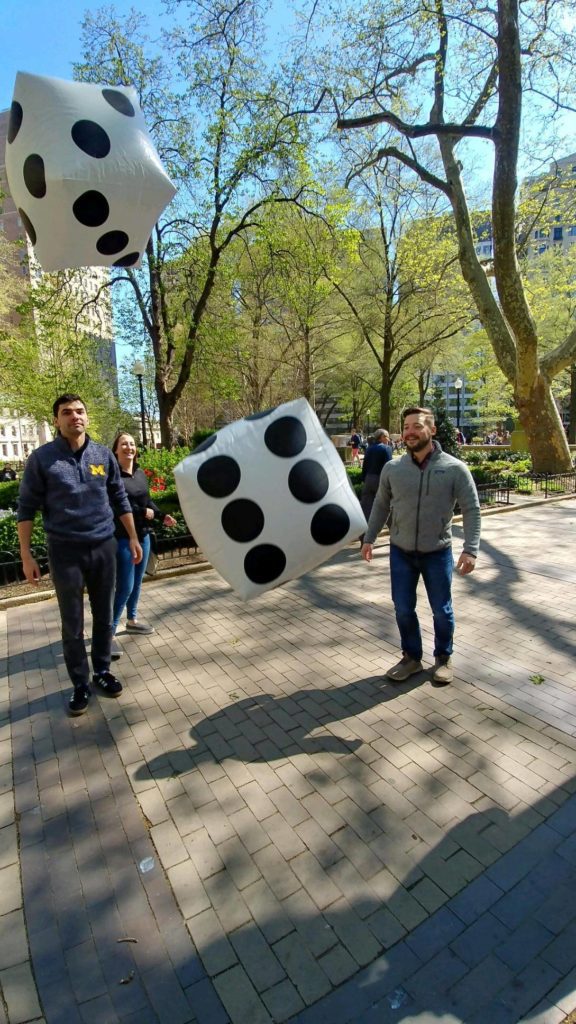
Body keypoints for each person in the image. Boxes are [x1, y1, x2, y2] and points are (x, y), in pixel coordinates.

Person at [17, 394, 142, 716]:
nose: (75, 416)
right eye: (67, 412)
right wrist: (27, 556)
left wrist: (131, 537)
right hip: (65, 550)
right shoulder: (42, 459)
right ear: (56, 420)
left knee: (103, 615)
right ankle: (80, 683)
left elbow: (118, 497)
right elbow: (26, 507)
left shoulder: (102, 454)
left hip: (104, 545)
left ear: (87, 416)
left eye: (80, 411)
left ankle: (101, 670)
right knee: (72, 623)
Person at [361, 406, 480, 686]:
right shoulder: (393, 468)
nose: (410, 432)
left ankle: (443, 658)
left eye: (416, 426)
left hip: (437, 553)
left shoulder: (454, 469)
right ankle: (412, 658)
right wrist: (369, 538)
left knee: (442, 609)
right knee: (403, 608)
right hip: (400, 552)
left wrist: (470, 548)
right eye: (405, 427)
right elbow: (380, 505)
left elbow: (472, 509)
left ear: (432, 430)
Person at [111, 433, 176, 654]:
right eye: (123, 444)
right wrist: (143, 511)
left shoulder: (139, 473)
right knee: (125, 586)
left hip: (144, 534)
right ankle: (107, 633)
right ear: (116, 450)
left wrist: (160, 515)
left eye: (132, 444)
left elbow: (146, 500)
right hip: (123, 538)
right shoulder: (112, 476)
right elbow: (117, 506)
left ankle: (132, 620)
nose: (129, 447)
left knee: (138, 582)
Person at [359, 428, 393, 528]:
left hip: (368, 480)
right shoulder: (386, 448)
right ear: (382, 437)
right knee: (388, 505)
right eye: (387, 437)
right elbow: (389, 466)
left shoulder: (369, 448)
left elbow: (365, 466)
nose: (388, 439)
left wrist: (364, 480)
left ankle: (364, 537)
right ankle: (395, 532)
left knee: (366, 509)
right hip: (380, 480)